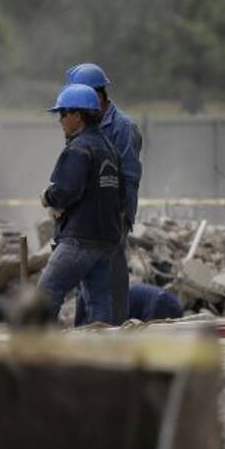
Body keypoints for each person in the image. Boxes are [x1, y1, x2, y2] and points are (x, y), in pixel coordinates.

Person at [36, 83, 126, 325]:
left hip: (79, 239)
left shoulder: (79, 148)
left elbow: (65, 191)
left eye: (63, 113)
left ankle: (36, 352)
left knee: (44, 295)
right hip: (105, 239)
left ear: (78, 115)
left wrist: (48, 197)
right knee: (99, 305)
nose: (60, 120)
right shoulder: (108, 148)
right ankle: (102, 354)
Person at [65, 63, 142, 325]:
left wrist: (120, 220)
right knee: (87, 287)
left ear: (96, 96)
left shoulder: (123, 128)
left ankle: (114, 337)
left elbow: (128, 179)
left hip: (110, 220)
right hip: (87, 220)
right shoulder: (85, 125)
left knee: (111, 285)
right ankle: (85, 336)